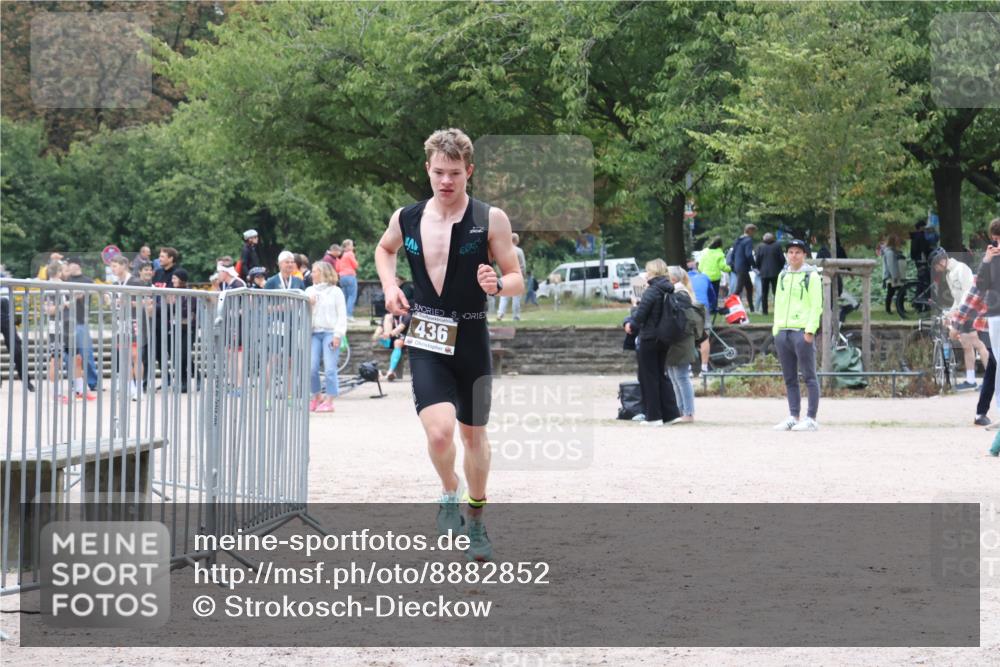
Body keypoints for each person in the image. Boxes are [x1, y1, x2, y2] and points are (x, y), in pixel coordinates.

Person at [374, 128, 523, 561]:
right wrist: (390, 285)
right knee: (440, 434)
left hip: (471, 334)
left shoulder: (490, 218)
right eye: (439, 172)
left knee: (473, 437)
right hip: (426, 332)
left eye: (454, 173)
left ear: (468, 172)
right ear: (428, 169)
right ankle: (448, 491)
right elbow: (384, 250)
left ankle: (476, 516)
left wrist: (498, 285)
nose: (446, 181)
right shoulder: (407, 217)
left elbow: (516, 277)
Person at [772, 239, 823, 432]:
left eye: (798, 252)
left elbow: (816, 305)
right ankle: (793, 415)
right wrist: (776, 329)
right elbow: (778, 302)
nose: (794, 256)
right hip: (783, 331)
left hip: (801, 331)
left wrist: (810, 330)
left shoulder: (812, 276)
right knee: (789, 377)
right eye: (791, 252)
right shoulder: (783, 275)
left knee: (809, 376)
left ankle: (811, 418)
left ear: (804, 255)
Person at [624, 259, 681, 427]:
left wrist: (630, 323)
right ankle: (671, 414)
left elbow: (641, 315)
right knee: (661, 375)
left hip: (649, 337)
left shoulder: (652, 291)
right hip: (664, 337)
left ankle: (653, 416)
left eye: (648, 271)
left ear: (653, 272)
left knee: (648, 377)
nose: (646, 274)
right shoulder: (669, 289)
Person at [929, 247, 984, 391]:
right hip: (963, 311)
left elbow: (968, 292)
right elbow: (957, 298)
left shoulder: (961, 268)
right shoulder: (949, 274)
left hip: (972, 310)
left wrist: (957, 311)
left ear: (941, 261)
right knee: (966, 345)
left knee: (977, 343)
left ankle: (991, 380)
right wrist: (950, 311)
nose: (936, 270)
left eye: (935, 266)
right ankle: (971, 380)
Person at [664, 266, 705, 424]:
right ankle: (680, 410)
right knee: (675, 377)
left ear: (673, 279)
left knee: (681, 377)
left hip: (681, 340)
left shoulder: (680, 293)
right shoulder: (677, 292)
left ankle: (688, 412)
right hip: (676, 340)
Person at [949, 286, 995, 427]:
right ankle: (981, 413)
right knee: (994, 366)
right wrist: (956, 324)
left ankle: (981, 413)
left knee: (993, 369)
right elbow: (970, 298)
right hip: (990, 327)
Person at [305, 262, 347, 413]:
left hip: (330, 333)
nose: (312, 274)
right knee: (311, 368)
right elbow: (301, 314)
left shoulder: (336, 291)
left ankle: (329, 401)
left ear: (323, 272)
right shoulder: (309, 291)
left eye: (315, 271)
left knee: (330, 369)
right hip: (313, 333)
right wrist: (309, 305)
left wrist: (338, 335)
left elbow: (342, 315)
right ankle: (317, 397)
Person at [61, 257, 100, 392]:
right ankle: (74, 382)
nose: (67, 267)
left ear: (76, 265)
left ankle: (92, 382)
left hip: (81, 320)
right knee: (69, 355)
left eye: (69, 264)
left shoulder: (88, 281)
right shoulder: (65, 281)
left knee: (86, 353)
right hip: (67, 322)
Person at [686, 259, 716, 374]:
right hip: (703, 307)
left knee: (688, 336)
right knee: (704, 337)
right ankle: (704, 368)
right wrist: (712, 305)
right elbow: (712, 295)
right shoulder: (704, 277)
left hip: (689, 307)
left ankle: (688, 369)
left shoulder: (684, 279)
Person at [497, 233, 527, 321]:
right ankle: (516, 316)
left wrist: (501, 275)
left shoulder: (504, 250)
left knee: (504, 296)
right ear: (517, 240)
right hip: (516, 275)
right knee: (516, 297)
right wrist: (523, 275)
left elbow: (499, 263)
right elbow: (523, 265)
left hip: (505, 275)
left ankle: (500, 314)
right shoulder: (519, 251)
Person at [755, 232, 785, 316]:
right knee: (776, 292)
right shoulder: (777, 246)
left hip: (764, 273)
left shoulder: (760, 247)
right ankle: (778, 310)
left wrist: (760, 269)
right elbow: (782, 259)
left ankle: (765, 311)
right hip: (775, 272)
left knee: (764, 293)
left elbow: (757, 260)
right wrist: (779, 268)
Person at [731, 224, 758, 313]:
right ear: (750, 231)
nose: (754, 234)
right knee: (738, 289)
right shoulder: (748, 240)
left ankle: (752, 309)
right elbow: (749, 254)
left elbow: (733, 254)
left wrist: (734, 264)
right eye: (753, 232)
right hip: (743, 267)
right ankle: (729, 307)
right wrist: (754, 265)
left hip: (738, 266)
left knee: (749, 287)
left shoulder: (738, 240)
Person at [698, 237, 730, 310]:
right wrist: (730, 268)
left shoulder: (705, 252)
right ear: (720, 245)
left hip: (705, 277)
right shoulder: (720, 254)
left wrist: (703, 272)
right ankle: (713, 308)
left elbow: (700, 267)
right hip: (715, 277)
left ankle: (707, 308)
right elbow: (722, 267)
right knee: (714, 293)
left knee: (707, 293)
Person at [881, 234, 906, 317]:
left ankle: (899, 309)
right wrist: (895, 276)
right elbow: (891, 265)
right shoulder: (890, 252)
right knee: (894, 292)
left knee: (895, 292)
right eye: (897, 240)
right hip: (892, 276)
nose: (898, 241)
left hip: (894, 276)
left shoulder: (892, 251)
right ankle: (893, 309)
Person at [337, 239, 359, 322]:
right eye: (352, 245)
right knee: (352, 296)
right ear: (348, 246)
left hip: (342, 277)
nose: (353, 247)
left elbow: (337, 268)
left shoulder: (341, 255)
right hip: (350, 276)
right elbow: (355, 265)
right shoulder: (350, 253)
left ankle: (343, 315)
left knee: (345, 297)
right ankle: (349, 315)